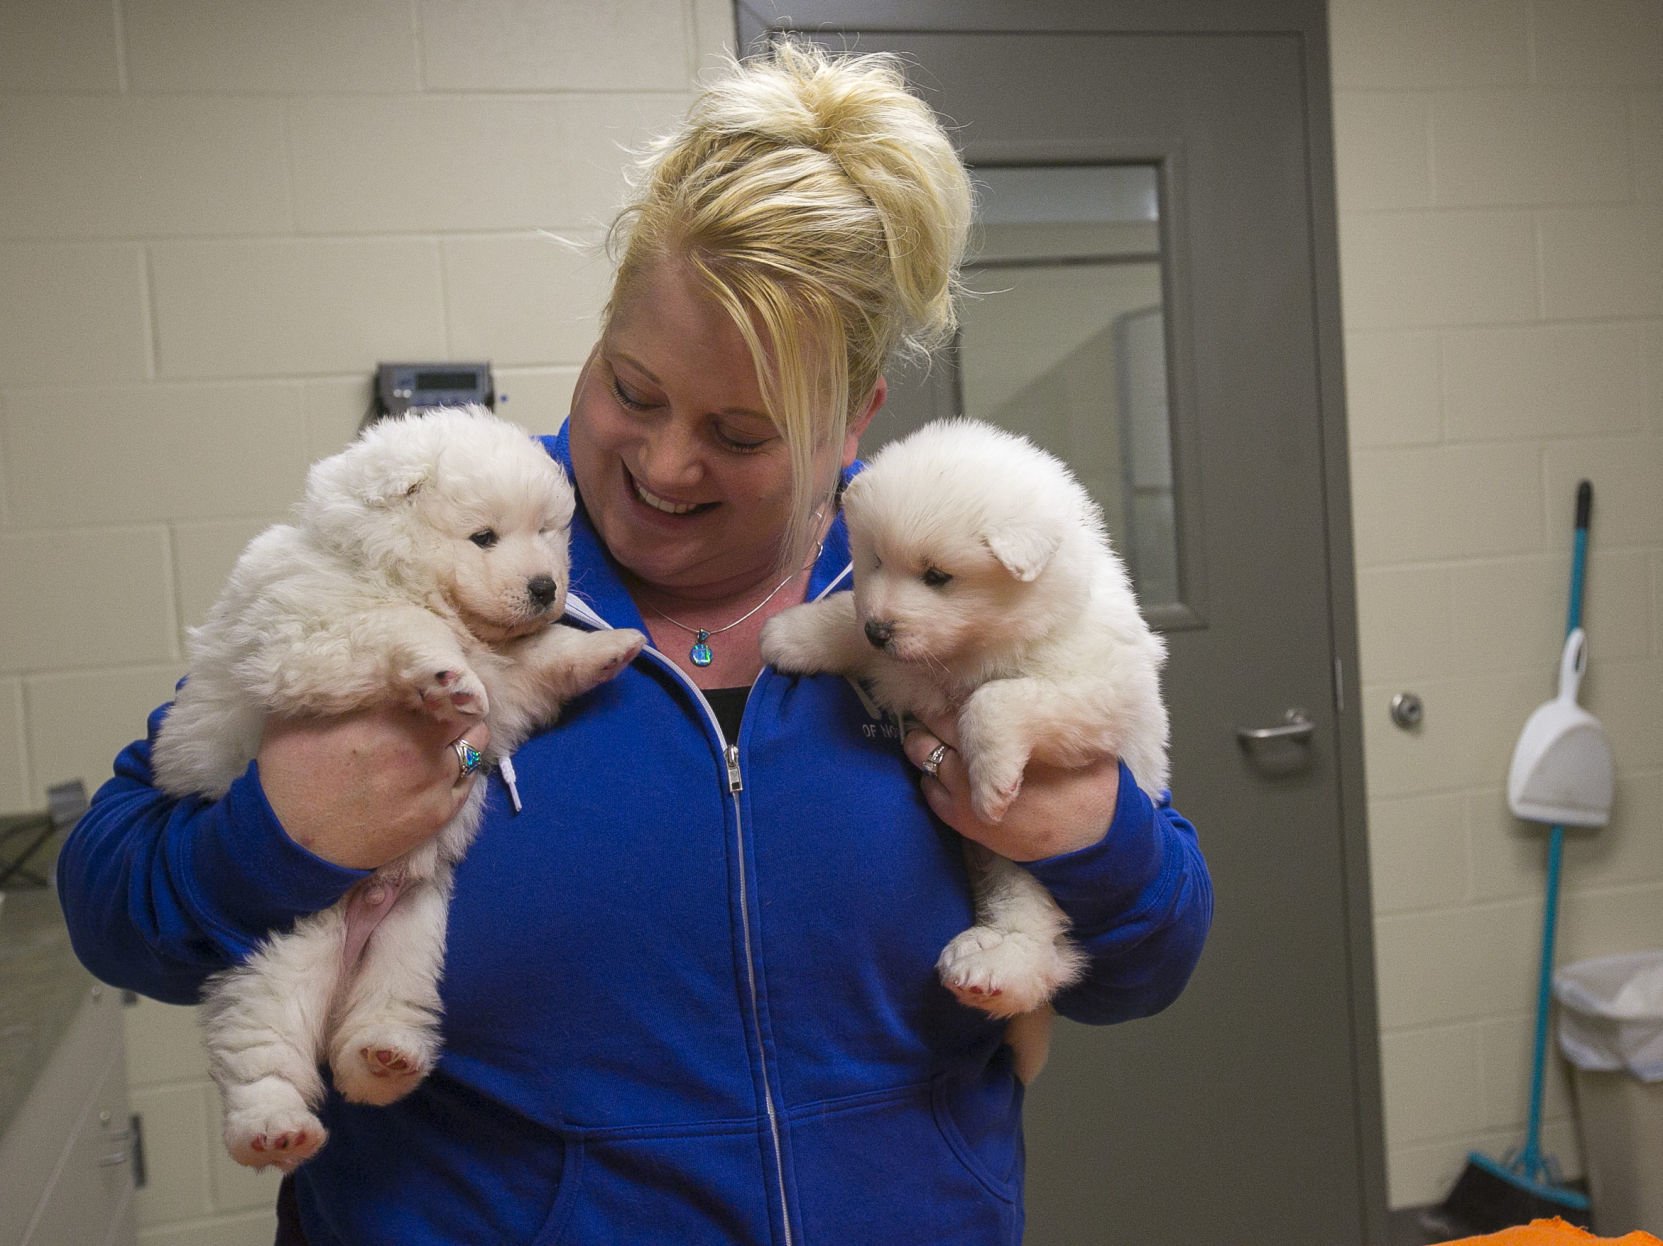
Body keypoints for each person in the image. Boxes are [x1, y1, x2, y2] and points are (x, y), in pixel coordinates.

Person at [57, 40, 1211, 1245]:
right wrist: (273, 840)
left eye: (743, 430)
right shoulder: (451, 541)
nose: (664, 464)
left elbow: (1153, 957)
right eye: (632, 389)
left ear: (850, 418)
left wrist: (1095, 841)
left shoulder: (940, 579)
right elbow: (113, 896)